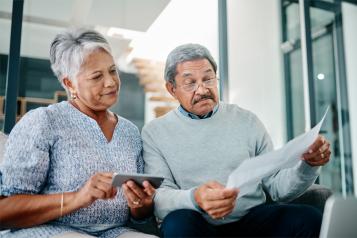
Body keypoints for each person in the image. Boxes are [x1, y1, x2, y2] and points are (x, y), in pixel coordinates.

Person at [141, 43, 332, 237]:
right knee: (177, 224)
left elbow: (276, 188)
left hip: (251, 220)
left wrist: (308, 165)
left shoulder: (246, 120)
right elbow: (160, 198)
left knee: (308, 218)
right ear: (172, 89)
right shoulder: (155, 132)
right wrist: (195, 198)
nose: (202, 90)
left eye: (208, 79)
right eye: (190, 83)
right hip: (197, 223)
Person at [0, 29, 157, 238]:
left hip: (113, 231)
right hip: (50, 230)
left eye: (112, 71)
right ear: (69, 83)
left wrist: (141, 206)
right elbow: (5, 211)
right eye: (97, 76)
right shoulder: (43, 121)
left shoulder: (129, 131)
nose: (110, 82)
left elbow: (138, 217)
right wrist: (78, 197)